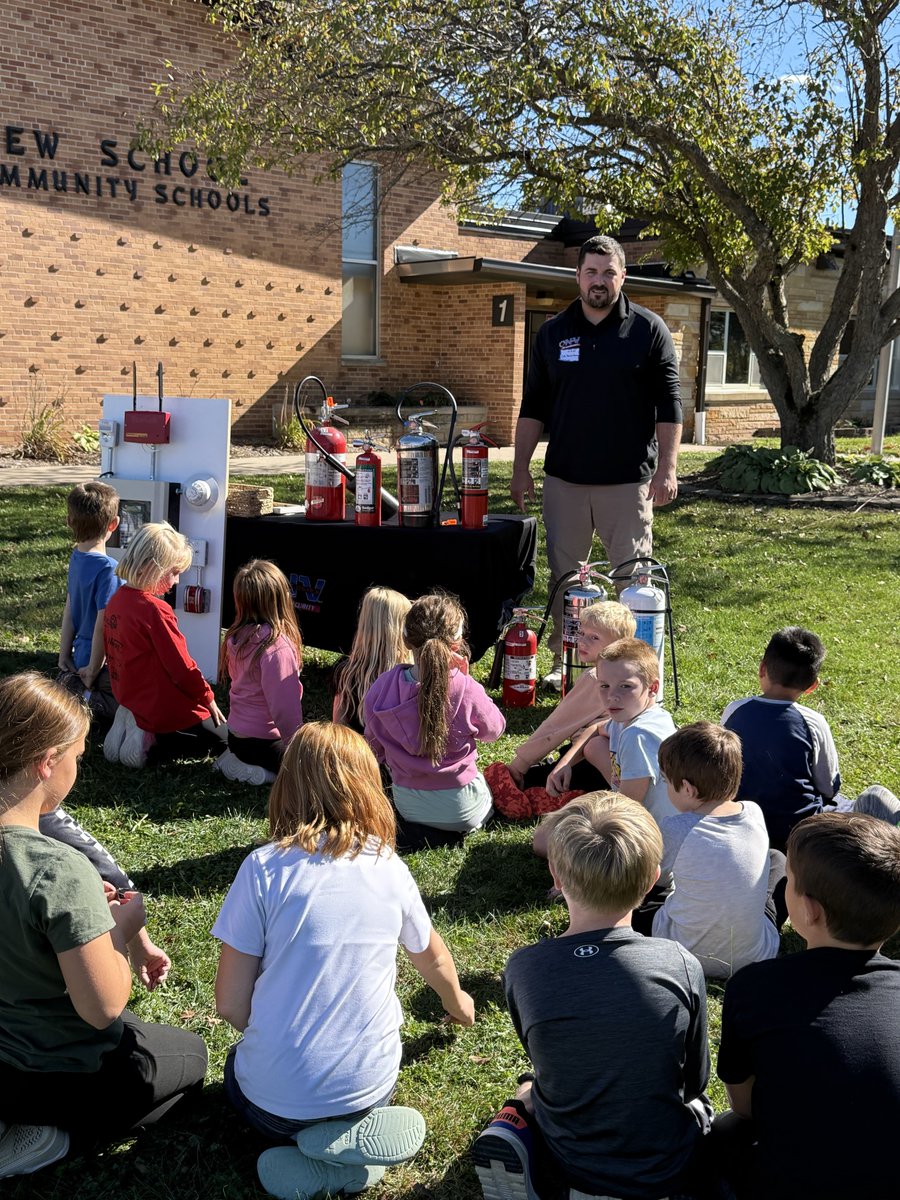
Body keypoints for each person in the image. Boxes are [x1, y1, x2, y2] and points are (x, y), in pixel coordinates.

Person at [212, 722, 474, 1199]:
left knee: (235, 1071)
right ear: (369, 787)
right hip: (369, 1092)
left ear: (287, 785)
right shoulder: (388, 866)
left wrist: (277, 1040)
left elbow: (229, 1005)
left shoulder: (262, 868)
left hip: (272, 1106)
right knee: (350, 1104)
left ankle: (304, 1144)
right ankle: (348, 1156)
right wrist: (458, 1002)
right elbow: (431, 954)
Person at [0, 673, 207, 1179]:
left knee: (143, 1036)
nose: (79, 765)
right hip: (53, 1069)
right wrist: (121, 929)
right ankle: (53, 1132)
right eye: (77, 755)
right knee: (192, 1057)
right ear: (47, 761)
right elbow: (102, 1007)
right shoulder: (56, 868)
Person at [472, 794, 711, 1200]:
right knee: (702, 1110)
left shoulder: (524, 968)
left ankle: (513, 1125)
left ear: (556, 875)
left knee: (531, 1087)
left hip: (571, 1162)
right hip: (665, 1167)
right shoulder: (680, 964)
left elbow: (542, 1053)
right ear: (653, 878)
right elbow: (694, 1082)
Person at [511, 233, 683, 689]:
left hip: (628, 484)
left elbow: (670, 405)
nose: (599, 281)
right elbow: (533, 406)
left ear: (623, 276)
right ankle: (563, 665)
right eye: (591, 271)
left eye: (609, 272)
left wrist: (668, 469)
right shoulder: (552, 333)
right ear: (578, 276)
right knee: (567, 582)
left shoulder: (649, 330)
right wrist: (519, 467)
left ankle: (635, 673)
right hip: (565, 480)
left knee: (633, 581)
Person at [713, 811, 900, 1200]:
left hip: (784, 1185)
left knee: (723, 1131)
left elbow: (745, 1107)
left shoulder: (755, 987)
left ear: (810, 910)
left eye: (788, 880)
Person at [722, 625, 898, 848]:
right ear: (812, 686)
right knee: (875, 797)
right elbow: (828, 788)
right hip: (804, 834)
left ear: (762, 669)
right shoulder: (813, 722)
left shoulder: (735, 710)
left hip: (743, 823)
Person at [364, 593, 506, 851]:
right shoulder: (465, 688)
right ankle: (451, 834)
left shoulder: (382, 688)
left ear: (406, 639)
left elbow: (373, 748)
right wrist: (467, 682)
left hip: (408, 805)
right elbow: (495, 730)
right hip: (465, 808)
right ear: (457, 643)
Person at [653, 722, 783, 978]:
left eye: (666, 782)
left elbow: (654, 880)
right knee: (777, 859)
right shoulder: (753, 812)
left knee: (645, 896)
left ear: (688, 789)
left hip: (681, 952)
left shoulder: (675, 828)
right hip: (755, 957)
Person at [484, 600, 635, 820]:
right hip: (620, 768)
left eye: (594, 638)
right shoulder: (633, 673)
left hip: (590, 766)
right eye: (582, 633)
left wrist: (520, 764)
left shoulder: (598, 678)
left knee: (518, 784)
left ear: (620, 643)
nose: (583, 641)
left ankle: (571, 798)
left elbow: (556, 727)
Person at [533, 637, 676, 861]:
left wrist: (589, 813)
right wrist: (565, 764)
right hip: (647, 825)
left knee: (543, 840)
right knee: (594, 745)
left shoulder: (637, 735)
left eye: (626, 686)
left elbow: (628, 811)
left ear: (653, 688)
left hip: (646, 851)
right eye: (604, 686)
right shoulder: (635, 714)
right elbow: (597, 729)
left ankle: (582, 878)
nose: (612, 696)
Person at [102, 522, 227, 769]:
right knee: (214, 743)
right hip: (161, 706)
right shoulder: (156, 611)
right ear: (153, 568)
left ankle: (130, 715)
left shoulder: (117, 600)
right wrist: (207, 697)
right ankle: (149, 737)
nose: (178, 580)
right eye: (174, 572)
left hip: (129, 694)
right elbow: (181, 667)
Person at [216, 559, 304, 786]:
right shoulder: (276, 647)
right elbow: (284, 709)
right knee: (311, 771)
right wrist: (297, 749)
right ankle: (262, 773)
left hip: (236, 737)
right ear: (279, 599)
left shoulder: (236, 637)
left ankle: (240, 760)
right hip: (264, 742)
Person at [57, 480, 122, 725]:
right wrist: (93, 671)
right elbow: (102, 625)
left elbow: (70, 606)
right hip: (99, 662)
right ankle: (82, 697)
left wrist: (64, 654)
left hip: (79, 654)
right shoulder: (109, 569)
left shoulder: (77, 557)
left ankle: (68, 685)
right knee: (128, 708)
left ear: (69, 521)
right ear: (113, 524)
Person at [332, 586, 412, 734]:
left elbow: (339, 728)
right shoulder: (411, 675)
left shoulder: (347, 671)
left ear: (365, 622)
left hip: (358, 753)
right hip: (396, 755)